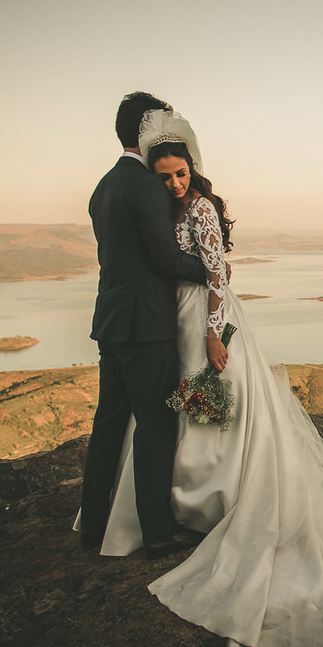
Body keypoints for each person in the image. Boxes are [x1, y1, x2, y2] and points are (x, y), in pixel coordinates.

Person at [92, 109, 323, 647]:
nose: (174, 182)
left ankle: (219, 497)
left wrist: (216, 332)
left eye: (180, 173)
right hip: (171, 316)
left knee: (217, 404)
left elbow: (219, 273)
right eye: (165, 175)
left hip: (206, 320)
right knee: (184, 408)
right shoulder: (165, 208)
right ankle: (186, 499)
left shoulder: (199, 209)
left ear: (193, 171)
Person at [80, 92, 208, 556]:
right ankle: (156, 531)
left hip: (110, 320)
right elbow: (165, 258)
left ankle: (93, 522)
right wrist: (210, 270)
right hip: (146, 325)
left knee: (109, 422)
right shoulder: (147, 186)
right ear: (146, 130)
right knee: (156, 424)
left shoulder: (103, 186)